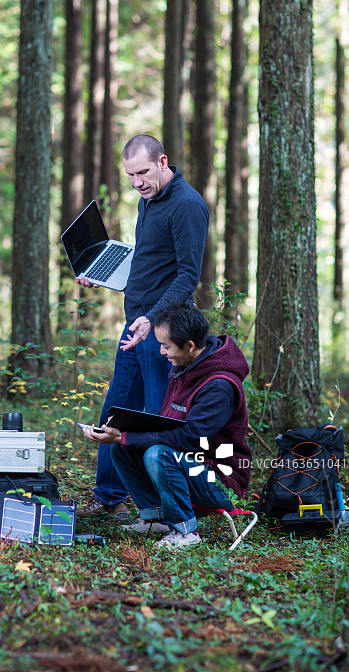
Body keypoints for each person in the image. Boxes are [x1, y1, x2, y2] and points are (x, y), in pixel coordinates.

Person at [76, 134, 209, 521]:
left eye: (144, 172)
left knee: (156, 419)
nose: (137, 182)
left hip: (162, 332)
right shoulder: (147, 199)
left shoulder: (187, 205)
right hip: (136, 326)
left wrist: (153, 319)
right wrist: (107, 271)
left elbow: (188, 276)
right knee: (116, 412)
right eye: (130, 175)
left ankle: (174, 512)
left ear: (163, 161)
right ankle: (110, 500)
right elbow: (149, 259)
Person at [82, 303, 252, 550]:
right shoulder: (186, 366)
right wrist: (123, 432)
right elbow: (168, 424)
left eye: (166, 346)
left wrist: (127, 437)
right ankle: (154, 519)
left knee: (156, 454)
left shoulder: (219, 386)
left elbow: (191, 439)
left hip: (221, 480)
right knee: (122, 449)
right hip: (192, 464)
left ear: (190, 345)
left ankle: (185, 531)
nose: (162, 352)